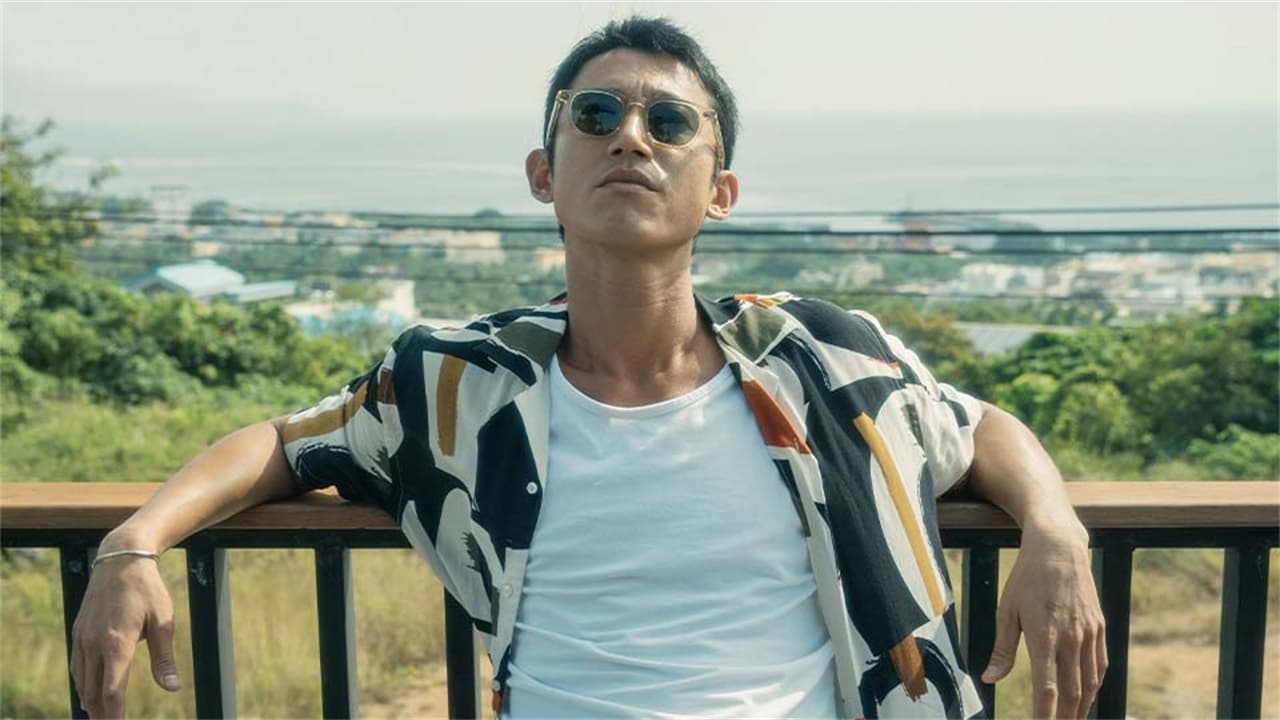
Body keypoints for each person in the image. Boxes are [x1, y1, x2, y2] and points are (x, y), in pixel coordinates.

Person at [71, 16, 1105, 719]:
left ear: (720, 191)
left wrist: (1054, 529)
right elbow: (286, 443)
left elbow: (977, 427)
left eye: (670, 122)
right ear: (544, 173)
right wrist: (132, 545)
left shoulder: (818, 356)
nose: (631, 140)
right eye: (596, 116)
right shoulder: (457, 381)